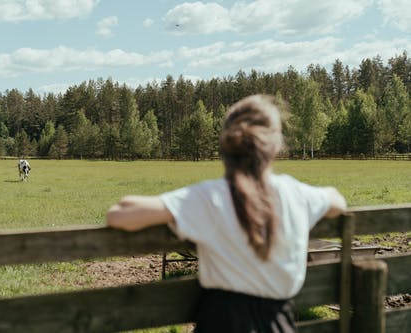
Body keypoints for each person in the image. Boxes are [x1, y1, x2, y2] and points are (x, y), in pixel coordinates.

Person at [106, 94, 347, 332]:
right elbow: (337, 201)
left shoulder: (210, 197)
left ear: (226, 143)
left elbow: (119, 215)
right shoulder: (296, 194)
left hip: (223, 323)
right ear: (275, 146)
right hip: (279, 324)